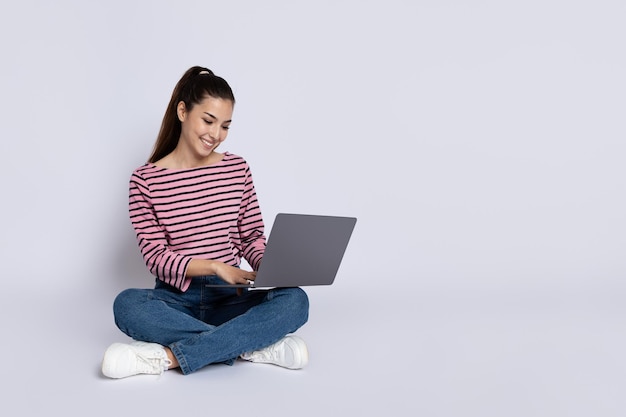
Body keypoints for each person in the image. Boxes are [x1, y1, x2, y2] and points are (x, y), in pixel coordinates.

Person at [101, 66, 309, 378]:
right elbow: (156, 259)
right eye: (208, 121)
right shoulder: (145, 180)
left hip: (232, 295)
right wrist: (213, 266)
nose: (216, 134)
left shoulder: (237, 169)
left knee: (296, 300)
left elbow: (252, 237)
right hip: (175, 300)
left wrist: (271, 266)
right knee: (127, 305)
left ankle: (169, 356)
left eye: (225, 126)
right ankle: (250, 344)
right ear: (183, 111)